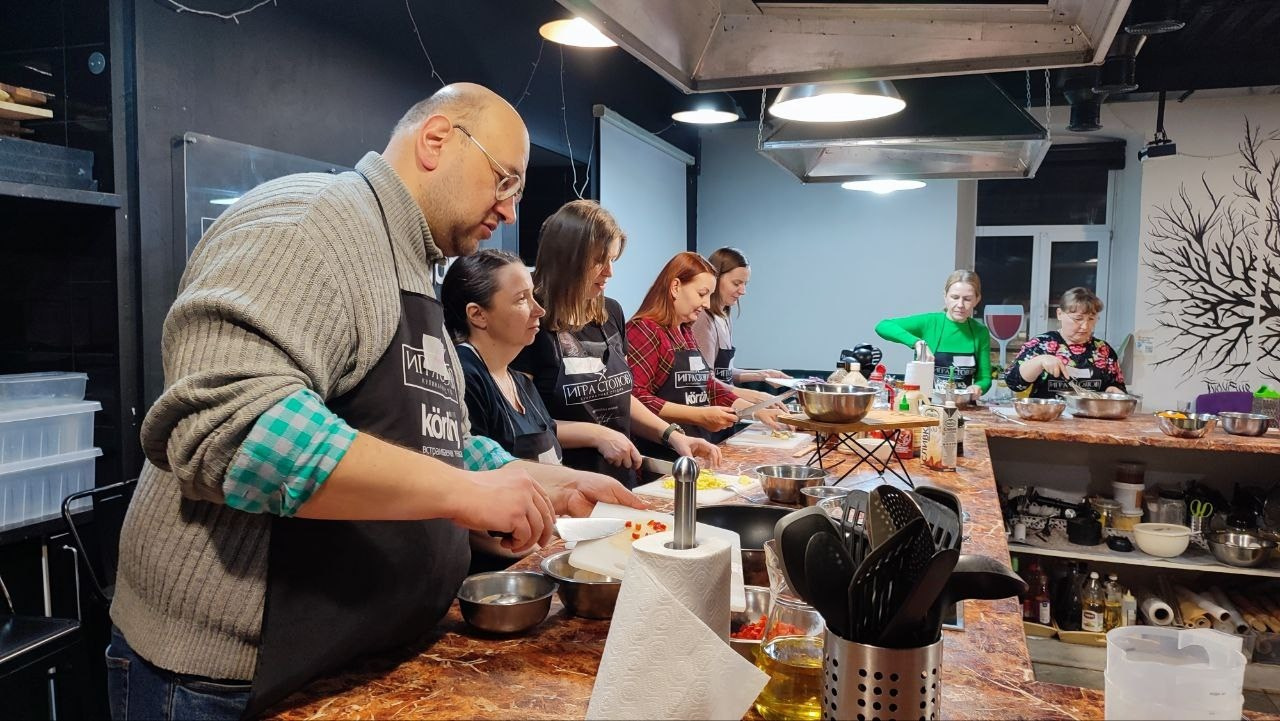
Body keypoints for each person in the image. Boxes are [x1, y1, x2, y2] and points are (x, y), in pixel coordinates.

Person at [106, 83, 643, 721]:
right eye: (503, 180)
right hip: (227, 683)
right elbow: (231, 426)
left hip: (350, 658)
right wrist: (468, 497)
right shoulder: (309, 224)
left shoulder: (416, 265)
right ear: (436, 140)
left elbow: (435, 440)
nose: (507, 207)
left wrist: (543, 481)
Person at [513, 200, 721, 486]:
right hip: (564, 485)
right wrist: (598, 434)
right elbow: (522, 424)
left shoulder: (611, 313)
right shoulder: (532, 324)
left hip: (620, 479)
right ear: (567, 258)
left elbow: (621, 399)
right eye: (599, 260)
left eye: (612, 260)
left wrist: (672, 435)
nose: (609, 272)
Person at [626, 252, 785, 455]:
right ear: (675, 287)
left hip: (694, 447)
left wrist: (755, 410)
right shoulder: (644, 330)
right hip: (661, 452)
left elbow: (707, 386)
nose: (707, 304)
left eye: (709, 296)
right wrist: (698, 415)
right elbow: (636, 397)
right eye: (702, 294)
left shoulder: (684, 331)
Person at [690, 247, 791, 402]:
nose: (743, 291)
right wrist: (755, 396)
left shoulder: (724, 317)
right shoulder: (703, 318)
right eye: (736, 283)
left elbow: (725, 373)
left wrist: (763, 375)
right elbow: (705, 380)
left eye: (745, 284)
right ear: (714, 280)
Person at [874, 269, 993, 395]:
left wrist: (978, 387)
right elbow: (883, 326)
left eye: (967, 299)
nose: (960, 304)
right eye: (955, 297)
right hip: (924, 405)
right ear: (945, 296)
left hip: (962, 405)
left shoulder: (980, 332)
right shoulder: (929, 322)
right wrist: (917, 343)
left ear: (977, 299)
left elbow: (985, 378)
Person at [1005, 286, 1126, 399]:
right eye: (1078, 319)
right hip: (1047, 417)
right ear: (1059, 314)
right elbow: (1014, 383)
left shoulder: (1103, 350)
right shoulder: (1041, 344)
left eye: (1091, 319)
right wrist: (1039, 361)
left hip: (1091, 418)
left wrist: (1114, 390)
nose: (1085, 326)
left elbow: (1118, 386)